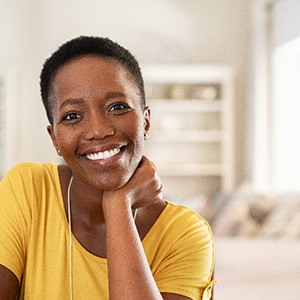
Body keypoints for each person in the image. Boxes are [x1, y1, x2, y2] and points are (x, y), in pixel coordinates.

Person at [0, 36, 216, 299]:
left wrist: (117, 205)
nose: (99, 131)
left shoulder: (185, 234)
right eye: (72, 116)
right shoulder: (28, 189)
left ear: (146, 122)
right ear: (55, 137)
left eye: (117, 107)